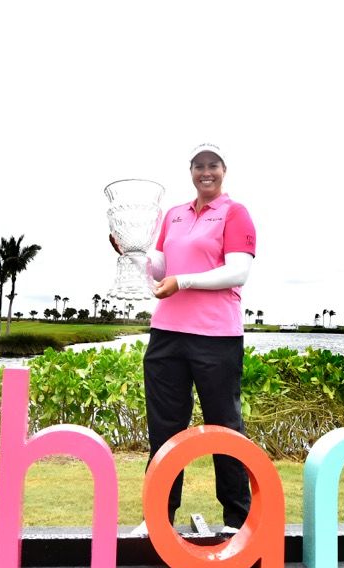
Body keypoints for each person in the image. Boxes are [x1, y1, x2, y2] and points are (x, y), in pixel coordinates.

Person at [120, 143, 257, 537]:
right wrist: (134, 255)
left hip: (216, 336)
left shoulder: (234, 212)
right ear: (191, 171)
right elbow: (161, 265)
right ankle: (157, 518)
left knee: (224, 427)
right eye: (199, 166)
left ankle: (238, 521)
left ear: (224, 170)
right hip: (167, 334)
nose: (206, 172)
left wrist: (184, 282)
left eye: (213, 165)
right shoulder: (174, 215)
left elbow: (237, 272)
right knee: (164, 429)